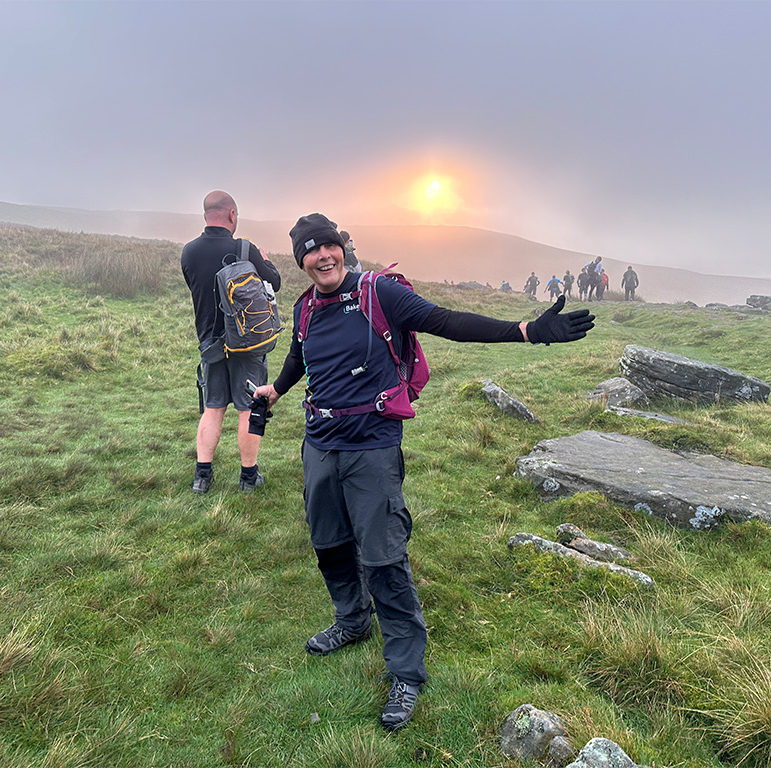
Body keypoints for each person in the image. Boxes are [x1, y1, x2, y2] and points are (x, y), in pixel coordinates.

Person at [254, 213, 595, 732]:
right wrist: (275, 391)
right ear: (300, 260)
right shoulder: (305, 308)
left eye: (330, 245)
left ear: (343, 247)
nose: (323, 255)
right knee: (328, 541)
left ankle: (406, 671)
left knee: (383, 556)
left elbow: (447, 321)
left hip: (371, 443)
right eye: (311, 250)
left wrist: (527, 331)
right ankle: (351, 620)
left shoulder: (379, 294)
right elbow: (300, 357)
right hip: (319, 441)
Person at [180, 191, 282, 494]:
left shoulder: (189, 252)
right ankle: (249, 478)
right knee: (248, 409)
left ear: (205, 215)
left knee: (213, 408)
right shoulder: (245, 249)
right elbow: (274, 283)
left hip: (210, 343)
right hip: (247, 343)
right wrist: (262, 260)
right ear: (232, 215)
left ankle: (202, 477)